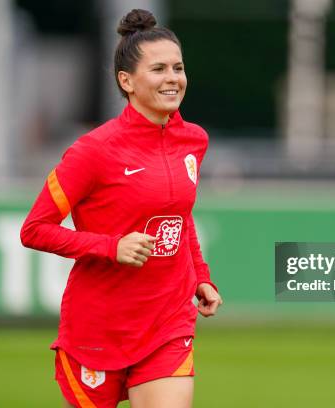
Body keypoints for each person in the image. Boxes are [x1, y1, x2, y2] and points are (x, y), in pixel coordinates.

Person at [20, 9, 222, 408]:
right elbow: (35, 229)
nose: (172, 78)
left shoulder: (194, 141)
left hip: (168, 322)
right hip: (98, 330)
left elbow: (179, 217)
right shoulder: (93, 151)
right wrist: (112, 247)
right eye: (159, 69)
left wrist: (201, 276)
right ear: (126, 81)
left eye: (178, 68)